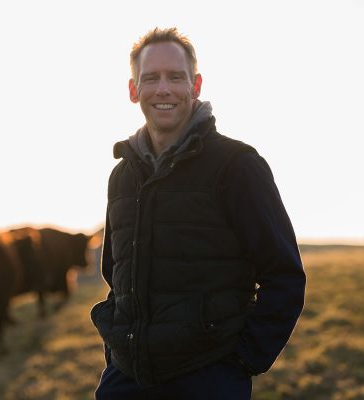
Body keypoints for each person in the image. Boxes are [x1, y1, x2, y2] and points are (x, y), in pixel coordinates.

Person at [91, 27, 306, 399]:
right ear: (132, 89)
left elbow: (284, 276)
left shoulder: (237, 166)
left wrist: (242, 361)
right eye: (151, 78)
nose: (163, 89)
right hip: (126, 380)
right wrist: (116, 352)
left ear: (196, 85)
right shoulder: (121, 175)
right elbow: (116, 273)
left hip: (207, 377)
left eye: (176, 77)